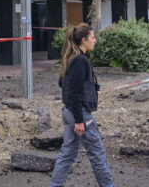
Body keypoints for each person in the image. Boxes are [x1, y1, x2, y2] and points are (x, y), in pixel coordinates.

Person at [49, 25, 115, 187]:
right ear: (84, 40)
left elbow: (62, 84)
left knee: (68, 154)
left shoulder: (71, 58)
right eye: (93, 38)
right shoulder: (80, 61)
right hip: (81, 115)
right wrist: (80, 120)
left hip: (69, 112)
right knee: (97, 153)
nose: (95, 41)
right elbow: (75, 92)